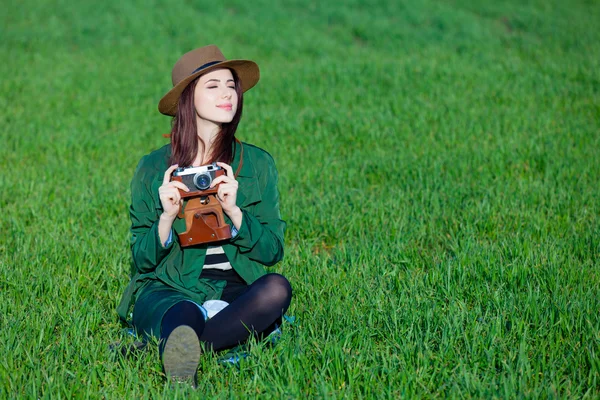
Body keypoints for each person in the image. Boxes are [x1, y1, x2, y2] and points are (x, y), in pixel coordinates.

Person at [117, 45, 292, 386]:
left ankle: (172, 348)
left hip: (236, 289)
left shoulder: (256, 164)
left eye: (231, 85)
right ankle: (187, 359)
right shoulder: (154, 168)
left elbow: (273, 251)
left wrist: (235, 212)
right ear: (187, 99)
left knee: (276, 288)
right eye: (212, 86)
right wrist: (166, 219)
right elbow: (141, 259)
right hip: (170, 287)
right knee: (182, 313)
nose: (228, 94)